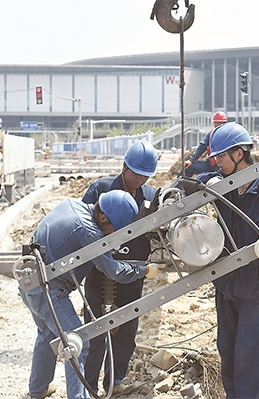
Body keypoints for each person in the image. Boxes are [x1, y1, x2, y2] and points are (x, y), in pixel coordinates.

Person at [19, 190, 162, 399]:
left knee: (47, 335)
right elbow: (115, 272)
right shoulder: (89, 232)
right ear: (102, 217)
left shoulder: (71, 203)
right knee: (76, 343)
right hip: (50, 291)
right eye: (113, 229)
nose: (113, 235)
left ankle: (38, 390)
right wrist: (146, 271)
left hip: (29, 281)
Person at [197, 122, 259, 399]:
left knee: (250, 360)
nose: (217, 163)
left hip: (254, 291)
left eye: (221, 157)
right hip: (226, 287)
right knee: (228, 353)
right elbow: (190, 181)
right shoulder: (222, 187)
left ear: (239, 154)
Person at [82, 140, 158, 394]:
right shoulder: (100, 189)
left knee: (126, 331)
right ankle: (88, 384)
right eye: (135, 173)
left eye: (145, 176)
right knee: (95, 332)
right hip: (99, 273)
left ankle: (114, 382)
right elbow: (84, 226)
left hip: (132, 273)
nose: (139, 180)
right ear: (124, 166)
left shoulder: (151, 197)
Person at [182, 111, 228, 178]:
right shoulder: (211, 134)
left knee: (202, 178)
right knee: (188, 167)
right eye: (216, 122)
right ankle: (177, 187)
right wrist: (191, 160)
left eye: (221, 123)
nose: (218, 125)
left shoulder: (229, 135)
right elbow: (202, 146)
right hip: (211, 164)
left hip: (224, 168)